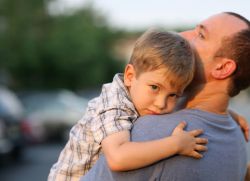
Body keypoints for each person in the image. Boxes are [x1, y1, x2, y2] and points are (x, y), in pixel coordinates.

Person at [80, 12, 250, 181]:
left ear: (222, 68)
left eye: (200, 35)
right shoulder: (238, 138)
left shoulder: (151, 133)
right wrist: (230, 114)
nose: (182, 35)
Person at [48, 30, 209, 181]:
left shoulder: (141, 96)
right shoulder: (114, 104)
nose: (161, 104)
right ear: (130, 76)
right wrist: (176, 145)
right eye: (154, 87)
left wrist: (228, 114)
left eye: (173, 95)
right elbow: (118, 158)